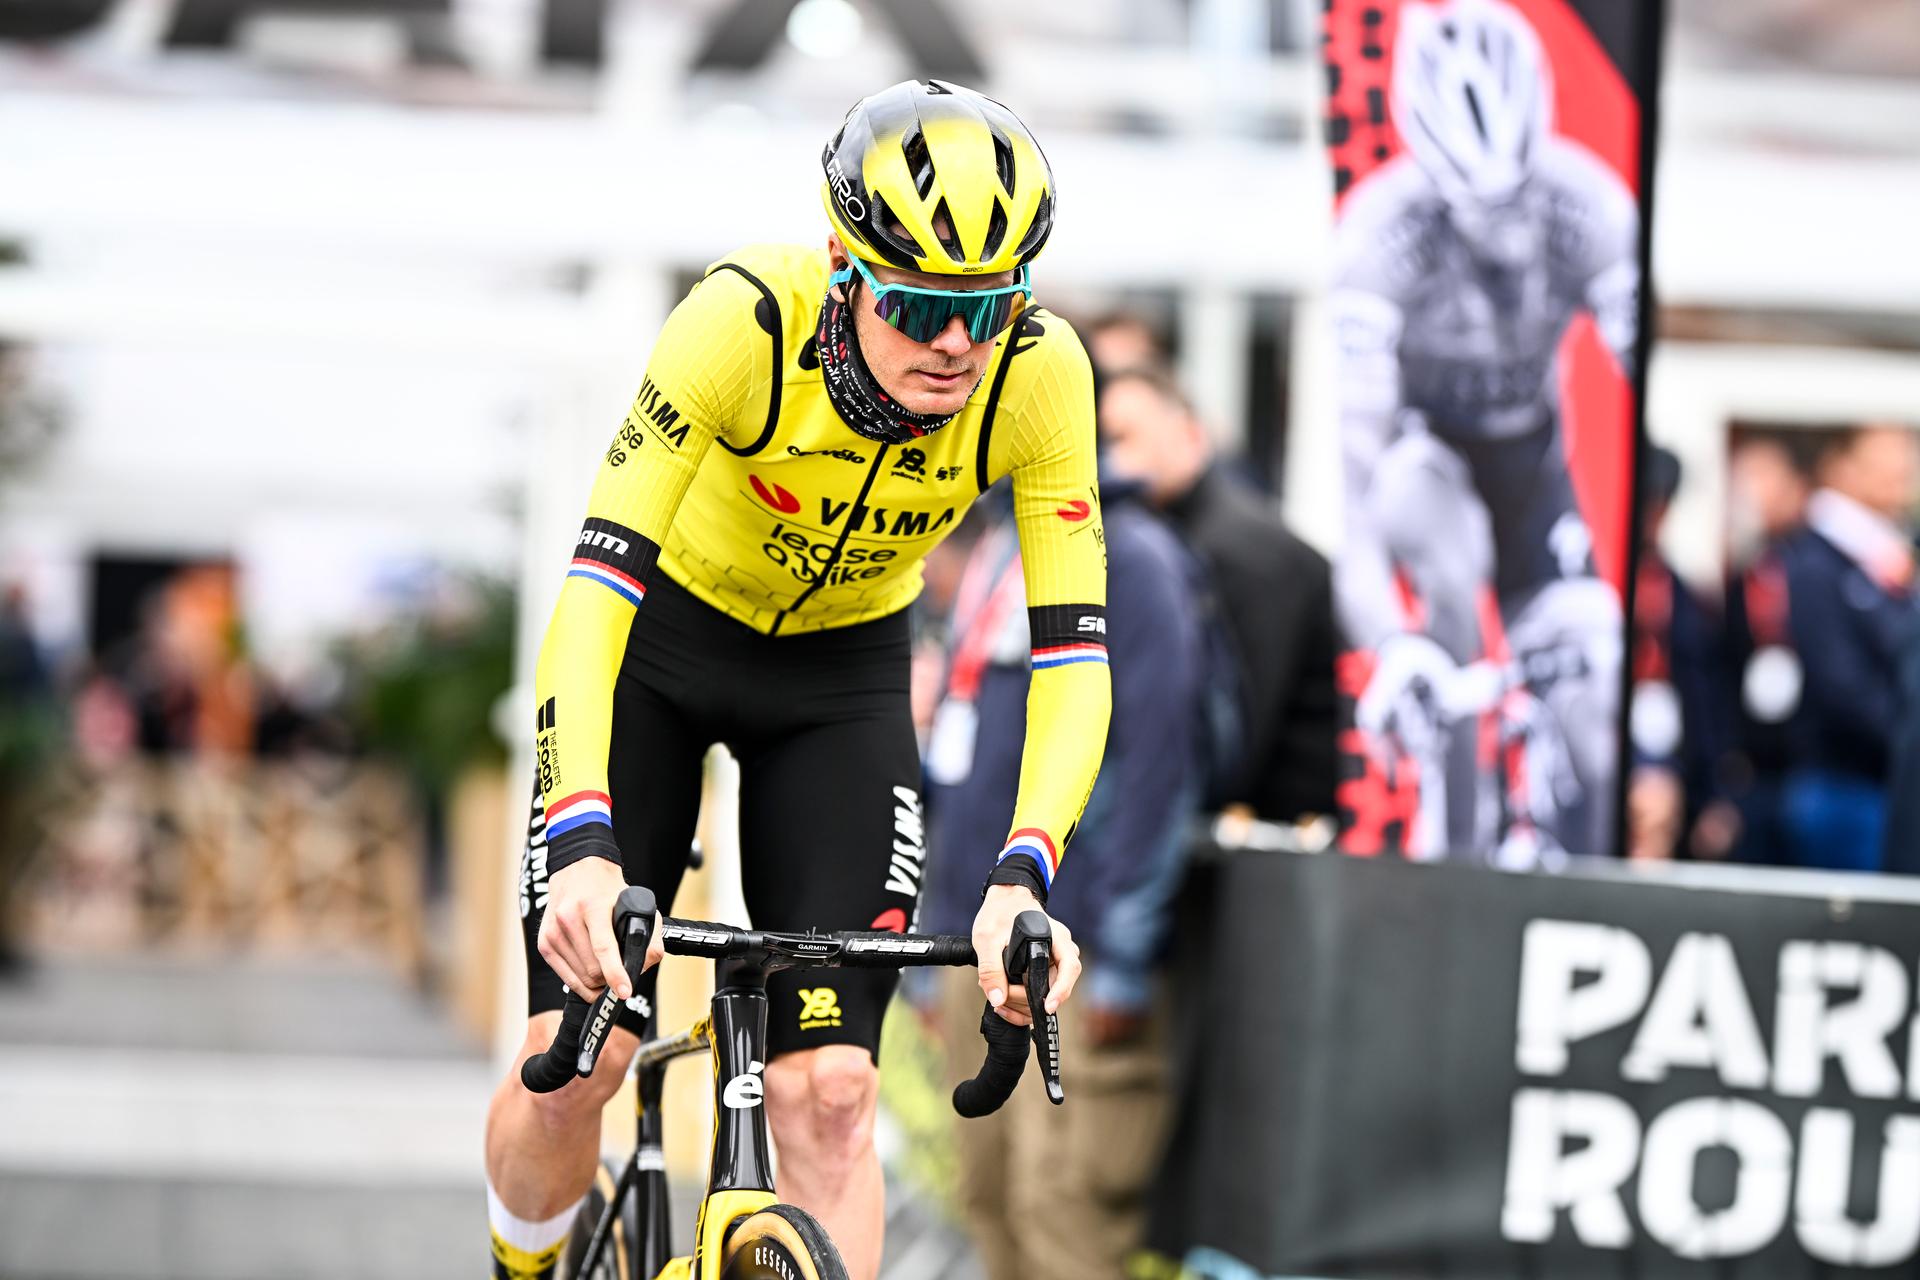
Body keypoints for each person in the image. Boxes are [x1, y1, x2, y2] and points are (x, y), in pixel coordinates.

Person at [483, 80, 1111, 1280]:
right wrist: (579, 847)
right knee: (581, 1055)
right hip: (662, 654)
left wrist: (1024, 872)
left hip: (841, 681)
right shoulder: (742, 324)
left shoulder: (1041, 377)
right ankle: (518, 1260)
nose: (956, 345)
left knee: (831, 1089)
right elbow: (587, 609)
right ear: (844, 266)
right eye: (921, 304)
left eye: (991, 307)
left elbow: (1076, 660)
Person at [1329, 0, 1638, 863]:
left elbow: (1641, 376)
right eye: (1474, 202)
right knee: (1449, 575)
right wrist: (1391, 644)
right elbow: (1358, 517)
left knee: (1594, 696)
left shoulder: (1590, 207)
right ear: (1430, 172)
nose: (1502, 232)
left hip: (1534, 467)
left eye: (1515, 198)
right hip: (1429, 465)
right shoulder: (1378, 242)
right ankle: (1455, 825)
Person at [920, 473, 1203, 1280]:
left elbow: (1161, 764)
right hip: (975, 943)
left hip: (1071, 950)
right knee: (990, 1194)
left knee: (1063, 1216)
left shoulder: (1134, 556)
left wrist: (1123, 955)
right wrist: (934, 948)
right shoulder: (1002, 542)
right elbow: (963, 756)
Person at [1097, 364, 1337, 821]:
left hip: (1274, 836)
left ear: (1190, 436)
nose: (1108, 459)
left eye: (1123, 437)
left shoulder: (1242, 552)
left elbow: (1240, 725)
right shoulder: (1184, 536)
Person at [1776, 424, 1920, 872]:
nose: (1901, 474)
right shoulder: (1820, 562)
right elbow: (1841, 684)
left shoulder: (1890, 555)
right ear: (1843, 468)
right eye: (1885, 463)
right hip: (1847, 786)